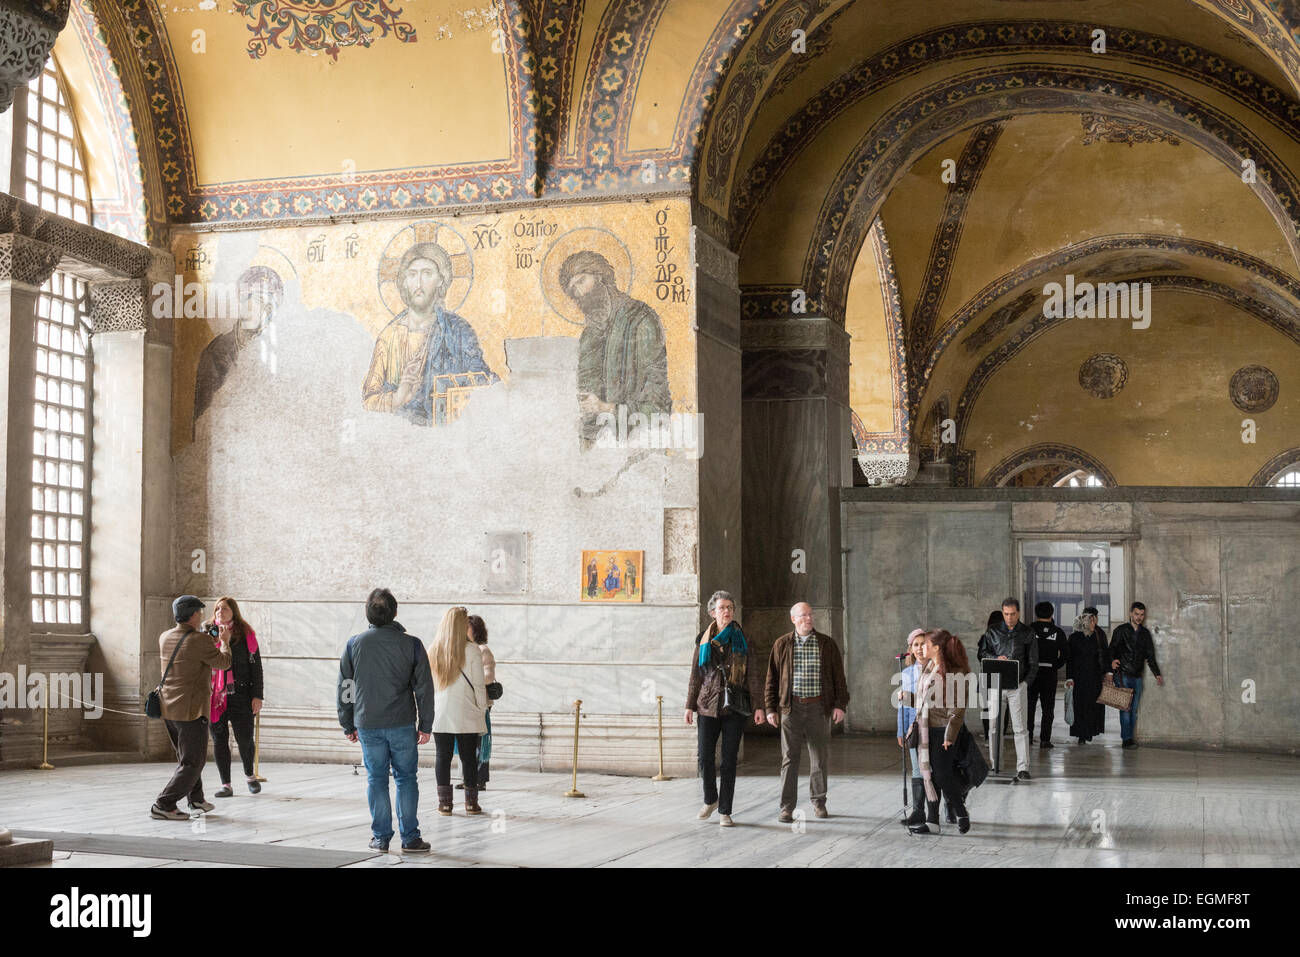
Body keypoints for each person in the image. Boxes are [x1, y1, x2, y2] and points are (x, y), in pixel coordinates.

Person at [337, 588, 435, 853]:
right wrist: (426, 725)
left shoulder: (354, 644)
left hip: (367, 723)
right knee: (406, 778)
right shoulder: (412, 644)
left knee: (376, 779)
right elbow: (424, 687)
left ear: (367, 613)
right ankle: (410, 838)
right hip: (402, 722)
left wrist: (347, 722)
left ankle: (380, 838)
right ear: (395, 612)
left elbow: (346, 686)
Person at [362, 242, 497, 425]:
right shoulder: (388, 338)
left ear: (441, 280)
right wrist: (398, 397)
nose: (418, 283)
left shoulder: (458, 331)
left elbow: (482, 384)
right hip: (400, 435)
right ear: (404, 281)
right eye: (412, 274)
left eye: (427, 274)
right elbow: (368, 401)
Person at [561, 250, 672, 444]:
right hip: (600, 448)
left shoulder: (641, 320)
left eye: (581, 281)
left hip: (638, 442)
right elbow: (586, 398)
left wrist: (606, 409)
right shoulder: (590, 335)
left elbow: (658, 406)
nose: (579, 293)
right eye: (573, 291)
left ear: (600, 276)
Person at [684, 590, 765, 827]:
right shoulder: (703, 639)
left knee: (729, 760)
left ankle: (725, 810)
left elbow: (754, 676)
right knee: (704, 757)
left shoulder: (744, 639)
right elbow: (695, 676)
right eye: (722, 608)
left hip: (735, 707)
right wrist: (689, 706)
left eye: (730, 607)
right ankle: (710, 798)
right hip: (706, 705)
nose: (727, 611)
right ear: (712, 612)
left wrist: (759, 706)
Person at [764, 602, 849, 821]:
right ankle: (786, 807)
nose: (808, 619)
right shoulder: (782, 644)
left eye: (810, 615)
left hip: (819, 707)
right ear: (793, 619)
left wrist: (840, 704)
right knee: (789, 759)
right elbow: (771, 679)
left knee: (819, 757)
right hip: (790, 708)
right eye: (803, 615)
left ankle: (819, 802)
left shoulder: (826, 644)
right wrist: (770, 708)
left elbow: (839, 678)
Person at [152, 595, 231, 821]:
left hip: (168, 708)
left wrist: (208, 641)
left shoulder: (164, 637)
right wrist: (224, 641)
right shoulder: (200, 640)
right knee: (193, 761)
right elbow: (223, 663)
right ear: (194, 614)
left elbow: (190, 655)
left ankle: (196, 799)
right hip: (192, 710)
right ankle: (163, 804)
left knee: (186, 757)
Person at [909, 629, 974, 835]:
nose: (921, 648)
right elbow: (926, 703)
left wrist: (949, 736)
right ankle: (932, 821)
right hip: (927, 729)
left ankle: (961, 812)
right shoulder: (929, 667)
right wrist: (908, 698)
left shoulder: (955, 672)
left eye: (925, 644)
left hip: (943, 732)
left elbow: (957, 710)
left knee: (943, 776)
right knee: (931, 776)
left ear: (936, 647)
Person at [429, 606, 487, 815]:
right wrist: (482, 708)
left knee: (442, 757)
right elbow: (479, 685)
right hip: (466, 711)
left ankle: (444, 804)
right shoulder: (472, 650)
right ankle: (471, 804)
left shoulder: (434, 649)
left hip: (441, 711)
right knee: (468, 757)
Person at [204, 596, 264, 797]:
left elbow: (256, 667)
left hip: (241, 694)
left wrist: (257, 695)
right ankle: (226, 784)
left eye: (225, 608)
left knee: (244, 739)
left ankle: (250, 776)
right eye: (217, 608)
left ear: (234, 611)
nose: (220, 612)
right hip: (215, 696)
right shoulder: (208, 632)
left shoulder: (245, 633)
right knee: (219, 739)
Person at [977, 597, 1038, 780]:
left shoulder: (1028, 633)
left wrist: (1026, 683)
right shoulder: (993, 632)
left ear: (1018, 613)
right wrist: (996, 659)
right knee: (995, 727)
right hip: (996, 685)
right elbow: (982, 654)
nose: (1009, 617)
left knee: (1020, 728)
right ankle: (996, 764)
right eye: (1006, 614)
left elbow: (1033, 662)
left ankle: (1023, 767)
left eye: (1012, 614)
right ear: (1002, 613)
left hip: (1018, 685)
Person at [1108, 601, 1164, 748]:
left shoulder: (1145, 634)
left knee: (1133, 711)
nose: (1139, 617)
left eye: (1142, 614)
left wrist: (1157, 673)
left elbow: (1150, 655)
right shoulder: (1120, 630)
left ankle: (1129, 738)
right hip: (1123, 674)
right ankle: (1127, 740)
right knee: (1125, 709)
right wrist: (1112, 662)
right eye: (1137, 614)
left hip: (1138, 676)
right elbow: (1111, 649)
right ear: (1131, 614)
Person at [455, 614, 495, 791]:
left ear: (475, 630)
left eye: (467, 627)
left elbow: (488, 676)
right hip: (464, 702)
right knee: (466, 743)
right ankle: (467, 777)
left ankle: (480, 778)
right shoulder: (462, 649)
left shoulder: (482, 650)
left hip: (479, 702)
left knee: (479, 742)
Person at [1027, 601, 1067, 749]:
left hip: (1032, 674)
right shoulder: (1058, 632)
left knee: (1029, 706)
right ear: (1052, 613)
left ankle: (1028, 736)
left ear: (1036, 613)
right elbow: (1065, 654)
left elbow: (1022, 651)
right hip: (1049, 674)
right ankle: (1045, 739)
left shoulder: (1029, 630)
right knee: (1048, 708)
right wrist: (1055, 665)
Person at [1066, 607, 1108, 744]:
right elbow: (1070, 659)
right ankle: (1081, 734)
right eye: (1090, 621)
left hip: (1094, 677)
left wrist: (1106, 673)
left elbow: (1104, 655)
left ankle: (1090, 731)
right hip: (1078, 677)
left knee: (1092, 705)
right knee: (1079, 705)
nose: (1093, 624)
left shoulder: (1097, 636)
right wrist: (1069, 678)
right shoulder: (1074, 638)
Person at [897, 628, 926, 826]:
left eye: (923, 644)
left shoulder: (937, 669)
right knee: (917, 770)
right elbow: (902, 705)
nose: (919, 648)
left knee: (936, 772)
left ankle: (950, 806)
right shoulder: (907, 673)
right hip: (913, 729)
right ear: (911, 649)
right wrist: (901, 730)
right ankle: (918, 811)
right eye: (916, 645)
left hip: (933, 727)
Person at [980, 609, 1001, 740]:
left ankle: (988, 736)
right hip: (1002, 676)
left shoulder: (985, 636)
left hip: (986, 675)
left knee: (986, 708)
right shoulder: (1007, 638)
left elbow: (980, 656)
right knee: (1001, 709)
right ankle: (999, 736)